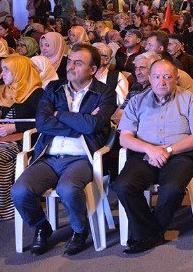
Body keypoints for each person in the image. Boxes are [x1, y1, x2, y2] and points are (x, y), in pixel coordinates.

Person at [10, 44, 117, 256]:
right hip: (48, 156)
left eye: (78, 63)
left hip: (81, 158)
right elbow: (42, 123)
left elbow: (93, 126)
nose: (71, 66)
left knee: (68, 188)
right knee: (19, 191)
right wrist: (80, 124)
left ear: (93, 69)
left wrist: (59, 114)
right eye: (70, 61)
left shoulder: (104, 92)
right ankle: (41, 226)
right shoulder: (53, 89)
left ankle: (79, 230)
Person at [113, 59, 193, 254]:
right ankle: (152, 233)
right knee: (122, 185)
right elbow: (125, 138)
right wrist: (150, 149)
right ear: (149, 78)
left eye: (167, 77)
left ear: (176, 79)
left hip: (179, 155)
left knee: (172, 189)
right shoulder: (137, 101)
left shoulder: (188, 98)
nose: (161, 82)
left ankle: (143, 234)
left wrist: (169, 150)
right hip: (144, 156)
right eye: (156, 77)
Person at [0, 56, 43, 220]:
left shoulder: (36, 94)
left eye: (6, 69)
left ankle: (2, 207)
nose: (1, 74)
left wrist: (14, 127)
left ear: (20, 70)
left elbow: (43, 121)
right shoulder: (1, 92)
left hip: (20, 141)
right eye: (2, 69)